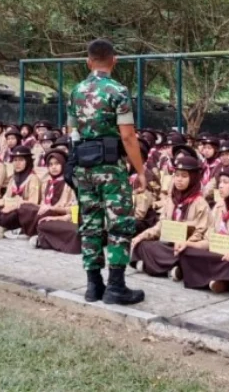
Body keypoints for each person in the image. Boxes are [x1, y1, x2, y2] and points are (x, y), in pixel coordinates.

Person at [67, 38, 146, 305]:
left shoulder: (76, 91)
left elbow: (71, 131)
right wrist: (141, 171)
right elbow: (128, 137)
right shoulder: (118, 91)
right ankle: (115, 286)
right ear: (114, 60)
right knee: (119, 224)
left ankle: (93, 285)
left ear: (88, 62)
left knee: (89, 223)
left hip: (83, 166)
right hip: (111, 168)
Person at [179, 163, 229, 293]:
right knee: (188, 251)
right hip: (217, 252)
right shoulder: (218, 207)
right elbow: (209, 240)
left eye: (225, 182)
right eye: (220, 182)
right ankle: (217, 280)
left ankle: (222, 282)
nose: (220, 186)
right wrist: (188, 243)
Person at [130, 154, 209, 279]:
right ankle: (171, 269)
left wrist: (186, 243)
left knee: (192, 254)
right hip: (167, 243)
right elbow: (161, 225)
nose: (179, 180)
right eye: (177, 175)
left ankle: (154, 267)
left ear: (193, 178)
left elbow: (201, 231)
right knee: (143, 244)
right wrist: (142, 236)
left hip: (185, 245)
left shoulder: (200, 203)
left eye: (184, 176)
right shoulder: (172, 200)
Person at [17, 150, 76, 240]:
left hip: (61, 217)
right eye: (50, 165)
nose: (53, 167)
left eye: (57, 163)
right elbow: (42, 205)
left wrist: (52, 208)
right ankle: (35, 232)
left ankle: (31, 232)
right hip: (45, 214)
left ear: (63, 164)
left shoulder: (70, 184)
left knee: (47, 220)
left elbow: (73, 210)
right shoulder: (46, 183)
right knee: (25, 207)